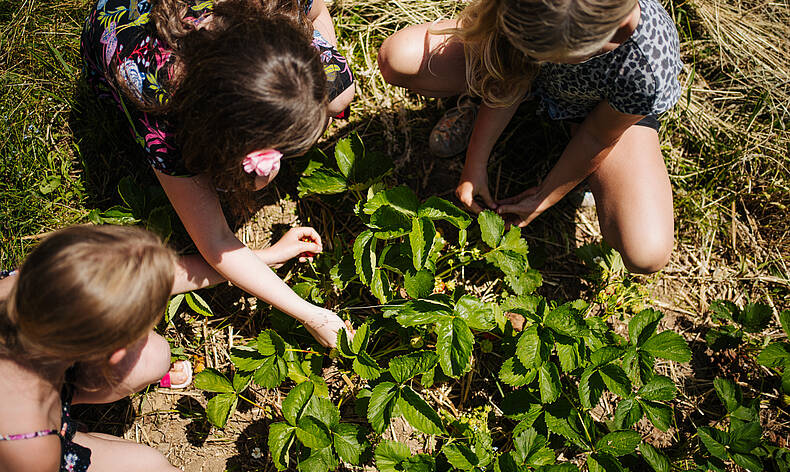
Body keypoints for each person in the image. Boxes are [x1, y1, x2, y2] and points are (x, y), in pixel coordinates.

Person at [81, 0, 355, 346]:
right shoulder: (160, 106)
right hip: (129, 37)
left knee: (341, 92)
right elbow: (216, 243)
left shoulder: (274, 4)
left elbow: (311, 13)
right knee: (251, 181)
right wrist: (312, 315)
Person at [377, 0, 683, 273]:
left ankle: (583, 170)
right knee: (399, 58)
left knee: (647, 250)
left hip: (596, 111)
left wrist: (544, 196)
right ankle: (475, 99)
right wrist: (475, 162)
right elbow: (511, 72)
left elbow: (597, 135)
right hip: (521, 72)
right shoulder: (535, 15)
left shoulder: (648, 63)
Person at [0, 225, 201, 472]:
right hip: (34, 452)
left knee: (155, 357)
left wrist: (261, 258)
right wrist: (55, 437)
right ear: (114, 353)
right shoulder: (31, 447)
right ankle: (70, 429)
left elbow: (146, 277)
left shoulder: (20, 285)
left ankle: (69, 420)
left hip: (39, 410)